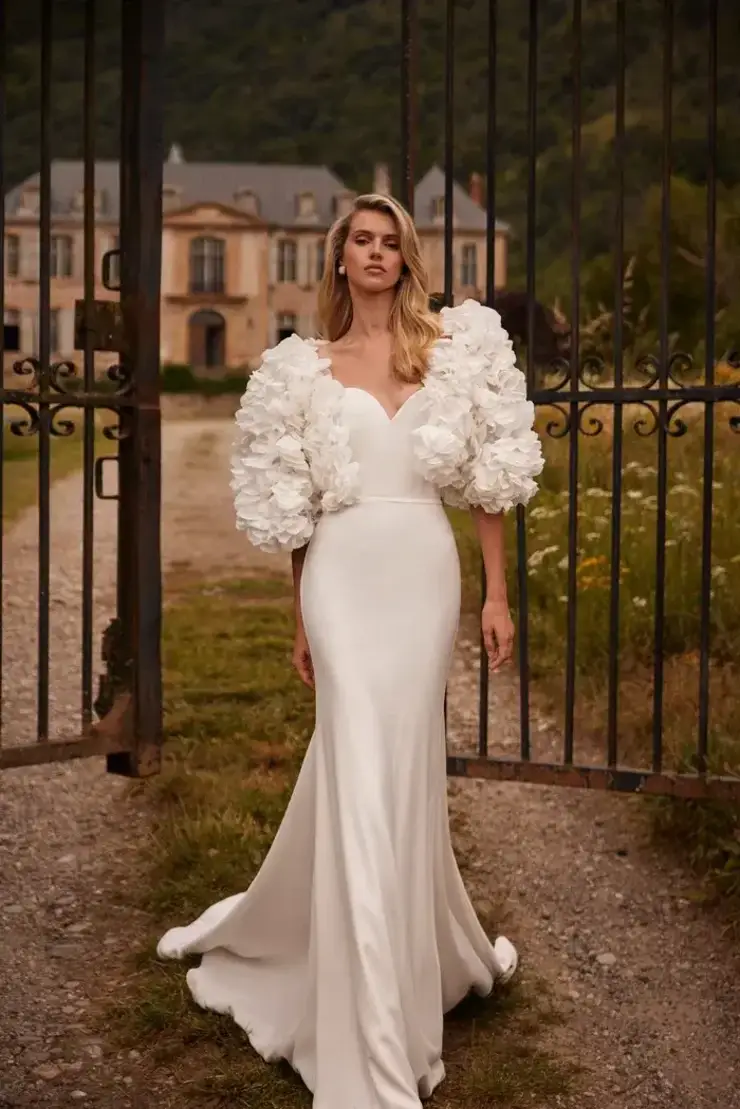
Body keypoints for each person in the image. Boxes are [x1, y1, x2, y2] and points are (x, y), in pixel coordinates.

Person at [157, 193, 544, 1109]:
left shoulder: (451, 352)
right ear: (340, 259)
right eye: (360, 241)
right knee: (357, 764)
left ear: (407, 258)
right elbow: (296, 507)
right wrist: (301, 617)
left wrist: (496, 592)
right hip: (339, 576)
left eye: (388, 242)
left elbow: (486, 480)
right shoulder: (305, 369)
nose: (374, 253)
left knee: (397, 772)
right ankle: (368, 1038)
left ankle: (401, 969)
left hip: (420, 573)